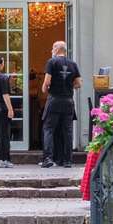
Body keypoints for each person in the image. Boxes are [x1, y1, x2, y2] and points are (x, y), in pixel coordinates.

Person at [40, 40, 81, 169]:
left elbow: (47, 82)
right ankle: (67, 160)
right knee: (67, 131)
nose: (51, 50)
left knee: (48, 129)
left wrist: (44, 89)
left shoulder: (52, 62)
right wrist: (68, 86)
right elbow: (78, 84)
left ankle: (48, 158)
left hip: (54, 100)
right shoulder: (73, 64)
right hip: (68, 101)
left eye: (53, 48)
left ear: (57, 49)